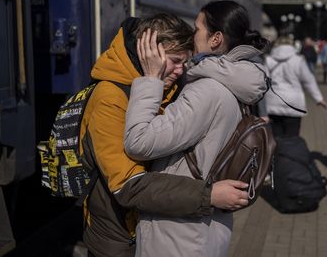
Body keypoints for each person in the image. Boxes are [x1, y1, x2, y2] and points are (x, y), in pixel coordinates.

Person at [80, 14, 249, 257]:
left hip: (149, 227)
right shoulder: (110, 98)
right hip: (118, 237)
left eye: (185, 61)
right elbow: (129, 187)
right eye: (174, 61)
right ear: (148, 53)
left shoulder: (166, 85)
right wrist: (208, 195)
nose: (182, 70)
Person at [123, 1, 269, 257]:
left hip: (178, 236)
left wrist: (150, 80)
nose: (192, 35)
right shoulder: (234, 89)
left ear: (215, 39)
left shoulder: (207, 91)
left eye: (197, 28)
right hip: (205, 229)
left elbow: (139, 141)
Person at [265, 36, 326, 138]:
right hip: (293, 104)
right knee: (292, 137)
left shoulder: (268, 60)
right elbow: (308, 81)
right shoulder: (298, 60)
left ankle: (277, 153)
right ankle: (289, 153)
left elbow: (263, 82)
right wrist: (319, 98)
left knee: (275, 137)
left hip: (273, 102)